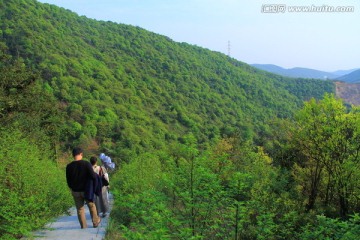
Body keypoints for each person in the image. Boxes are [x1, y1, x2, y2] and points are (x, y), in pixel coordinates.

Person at [66, 147, 101, 229]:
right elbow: (93, 176)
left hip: (75, 191)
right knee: (91, 206)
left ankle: (83, 226)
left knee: (80, 209)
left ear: (73, 155)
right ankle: (95, 222)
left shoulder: (69, 166)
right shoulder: (86, 164)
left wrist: (72, 188)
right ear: (81, 154)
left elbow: (68, 180)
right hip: (86, 190)